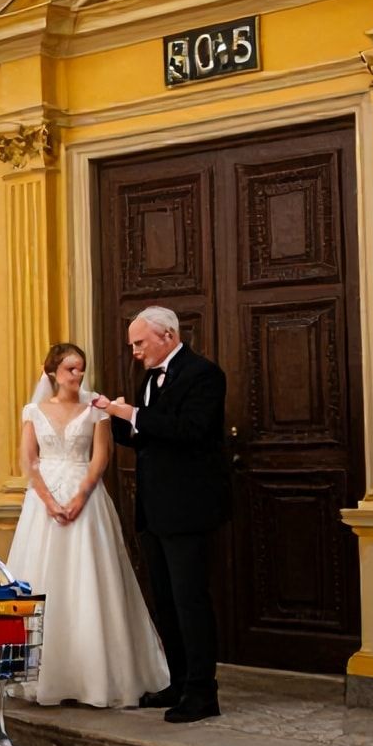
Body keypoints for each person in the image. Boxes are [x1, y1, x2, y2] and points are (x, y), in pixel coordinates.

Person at [6, 343, 169, 708]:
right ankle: (44, 674)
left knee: (90, 577)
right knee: (45, 578)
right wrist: (48, 500)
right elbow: (28, 459)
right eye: (69, 369)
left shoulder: (96, 407)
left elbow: (101, 457)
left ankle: (95, 676)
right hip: (43, 500)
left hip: (87, 495)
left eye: (81, 368)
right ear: (51, 373)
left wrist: (80, 496)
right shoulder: (34, 410)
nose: (78, 375)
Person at [94, 306, 228, 723]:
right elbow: (150, 437)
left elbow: (190, 430)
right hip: (154, 509)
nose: (134, 351)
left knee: (190, 601)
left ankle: (203, 692)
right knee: (166, 601)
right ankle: (179, 680)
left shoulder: (204, 374)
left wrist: (131, 414)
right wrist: (113, 420)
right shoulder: (150, 377)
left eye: (140, 342)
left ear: (167, 336)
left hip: (188, 509)